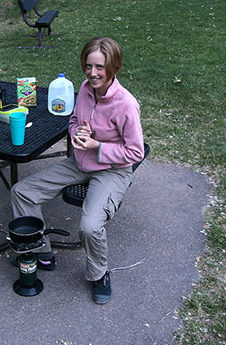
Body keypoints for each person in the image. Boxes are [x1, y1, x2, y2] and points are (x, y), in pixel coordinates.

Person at [10, 37, 144, 304]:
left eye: (99, 67)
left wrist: (97, 145)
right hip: (80, 162)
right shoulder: (84, 89)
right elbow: (73, 120)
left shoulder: (126, 104)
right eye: (88, 66)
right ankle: (42, 252)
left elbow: (135, 153)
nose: (92, 73)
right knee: (22, 191)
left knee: (90, 226)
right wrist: (77, 132)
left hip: (112, 170)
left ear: (114, 67)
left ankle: (99, 274)